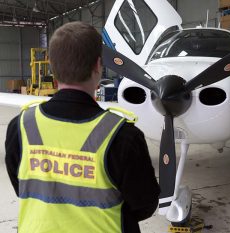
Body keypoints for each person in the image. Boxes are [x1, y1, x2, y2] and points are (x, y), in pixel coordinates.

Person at [5, 21, 160, 233]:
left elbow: (21, 187)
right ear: (98, 65)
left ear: (51, 66)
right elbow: (144, 205)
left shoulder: (21, 127)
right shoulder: (123, 136)